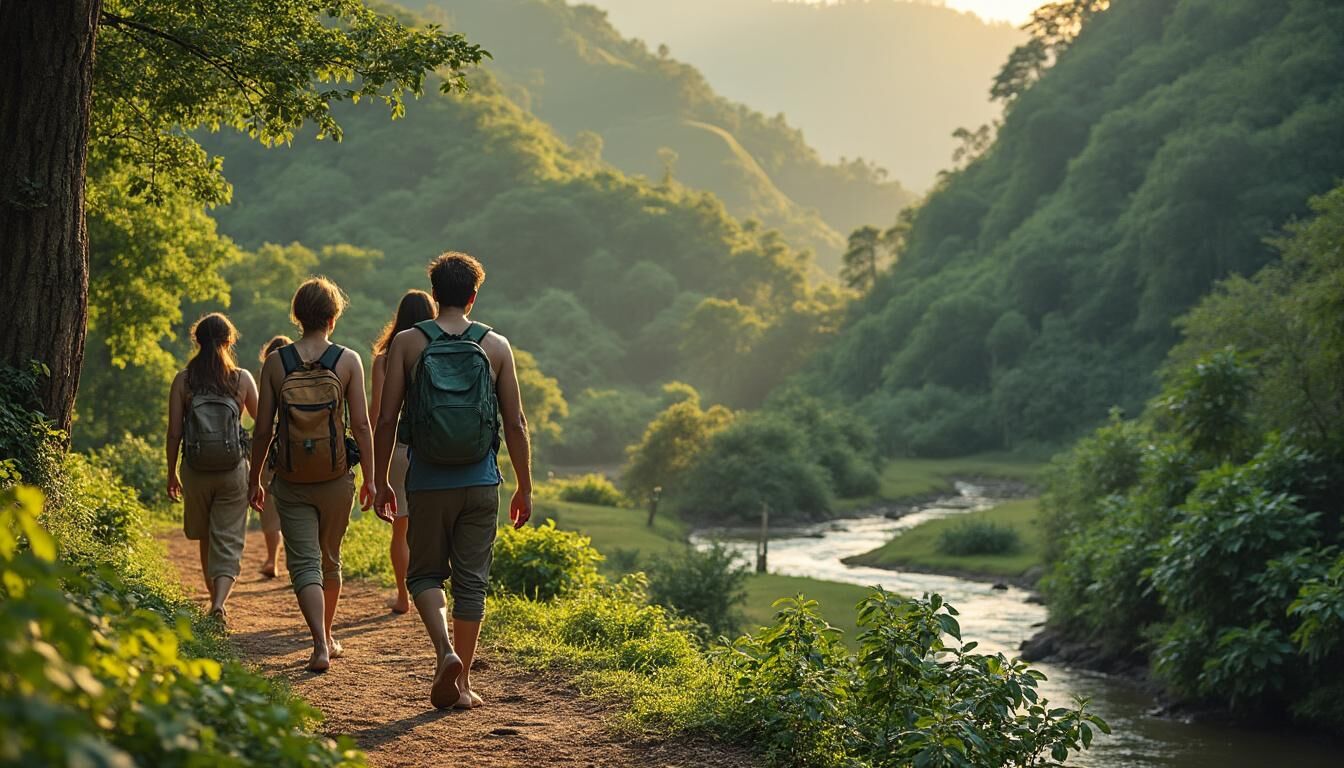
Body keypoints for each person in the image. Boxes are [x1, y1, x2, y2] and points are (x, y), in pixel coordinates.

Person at [373, 252, 533, 710]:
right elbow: (516, 423)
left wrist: (382, 479)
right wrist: (524, 484)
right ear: (473, 295)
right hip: (482, 481)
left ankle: (443, 650)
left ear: (434, 293)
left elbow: (387, 420)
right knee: (471, 583)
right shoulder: (496, 345)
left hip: (426, 481)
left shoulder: (407, 343)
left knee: (424, 574)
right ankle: (462, 685)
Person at [247, 277, 375, 672]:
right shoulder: (348, 360)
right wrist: (372, 477)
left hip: (291, 479)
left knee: (304, 564)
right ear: (333, 316)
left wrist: (255, 479)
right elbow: (363, 425)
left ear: (297, 316)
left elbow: (263, 429)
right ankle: (329, 634)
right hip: (336, 479)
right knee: (329, 559)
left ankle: (319, 643)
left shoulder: (275, 363)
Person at [166, 313, 259, 622]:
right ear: (229, 341)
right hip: (233, 470)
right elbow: (262, 423)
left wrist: (171, 472)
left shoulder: (184, 380)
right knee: (229, 537)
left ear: (197, 341)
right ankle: (219, 602)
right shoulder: (241, 378)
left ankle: (212, 598)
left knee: (206, 534)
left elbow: (174, 432)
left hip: (195, 469)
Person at [370, 290, 437, 614]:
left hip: (398, 447)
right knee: (432, 526)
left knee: (401, 527)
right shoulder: (441, 349)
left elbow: (378, 414)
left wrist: (371, 470)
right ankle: (432, 593)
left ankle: (402, 595)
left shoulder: (385, 358)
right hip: (435, 449)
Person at [256, 335, 292, 579]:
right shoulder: (298, 372)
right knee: (296, 505)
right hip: (298, 448)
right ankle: (294, 561)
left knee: (269, 506)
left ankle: (272, 560)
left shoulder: (269, 374)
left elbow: (263, 423)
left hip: (271, 450)